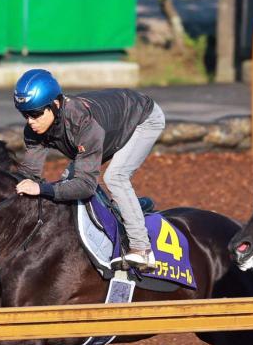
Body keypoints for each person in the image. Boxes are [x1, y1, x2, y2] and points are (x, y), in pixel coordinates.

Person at [12, 68, 166, 271]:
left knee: (115, 177)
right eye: (25, 115)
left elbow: (85, 186)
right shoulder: (33, 129)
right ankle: (119, 215)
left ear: (56, 104)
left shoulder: (83, 123)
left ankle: (141, 249)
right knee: (67, 179)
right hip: (109, 129)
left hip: (143, 119)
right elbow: (29, 175)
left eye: (36, 114)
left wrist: (43, 189)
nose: (30, 121)